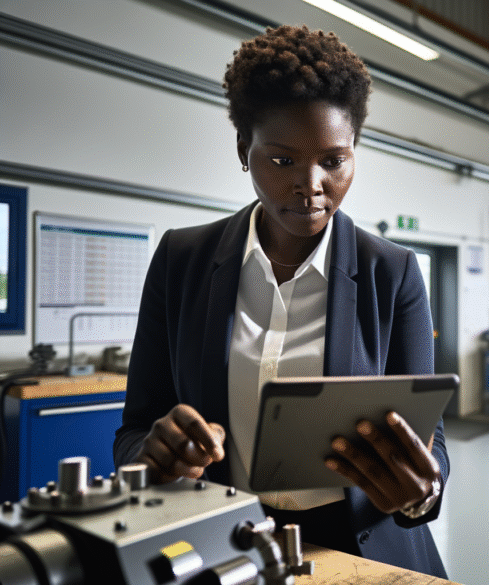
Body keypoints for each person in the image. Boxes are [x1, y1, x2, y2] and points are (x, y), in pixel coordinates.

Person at [113, 25, 447, 578]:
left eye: (334, 160)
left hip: (360, 549)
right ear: (245, 151)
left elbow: (429, 446)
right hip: (224, 542)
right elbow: (133, 433)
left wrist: (420, 494)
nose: (311, 184)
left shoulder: (394, 272)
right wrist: (155, 460)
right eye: (283, 160)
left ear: (355, 153)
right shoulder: (181, 260)